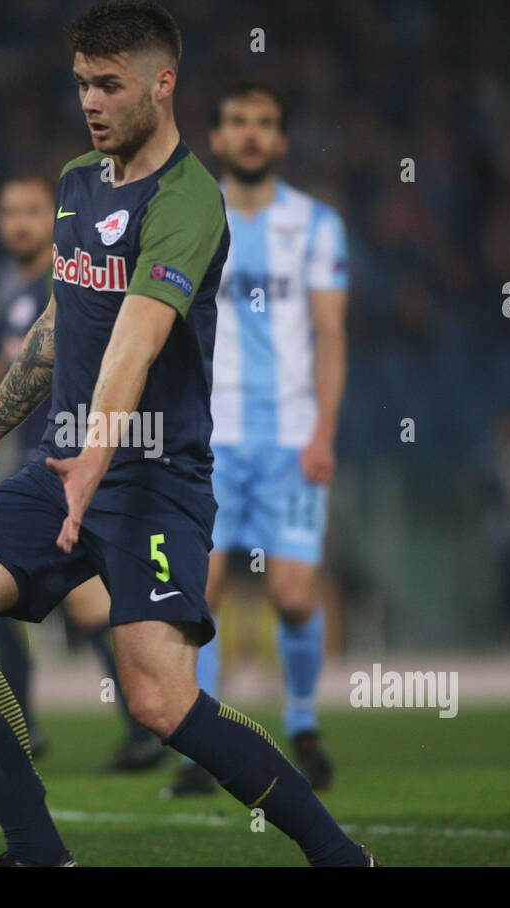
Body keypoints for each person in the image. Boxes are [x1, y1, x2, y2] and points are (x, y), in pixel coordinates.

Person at [0, 0, 373, 866]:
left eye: (110, 84)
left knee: (161, 704)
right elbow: (62, 322)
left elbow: (137, 337)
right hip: (63, 467)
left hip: (154, 482)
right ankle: (38, 852)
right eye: (82, 82)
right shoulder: (79, 181)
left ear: (164, 84)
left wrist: (94, 458)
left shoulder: (192, 200)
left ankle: (339, 855)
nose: (91, 100)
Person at [0, 175, 163, 770]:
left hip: (77, 465)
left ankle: (150, 728)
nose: (19, 223)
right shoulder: (15, 293)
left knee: (75, 608)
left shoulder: (73, 285)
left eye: (33, 211)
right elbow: (27, 381)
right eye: (8, 211)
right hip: (41, 466)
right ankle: (33, 728)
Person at [163, 81, 350, 797]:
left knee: (295, 595)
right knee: (195, 595)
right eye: (237, 121)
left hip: (291, 440)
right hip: (209, 441)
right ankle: (202, 750)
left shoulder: (317, 225)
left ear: (281, 141)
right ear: (215, 137)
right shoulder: (189, 220)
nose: (250, 134)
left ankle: (301, 724)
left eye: (264, 123)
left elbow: (331, 335)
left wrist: (324, 432)